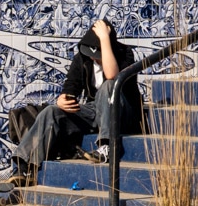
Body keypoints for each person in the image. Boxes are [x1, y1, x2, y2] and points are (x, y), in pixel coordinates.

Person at [10, 19, 141, 183]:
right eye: (92, 55)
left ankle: (107, 146)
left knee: (109, 86)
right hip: (96, 111)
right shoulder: (83, 58)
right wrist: (62, 100)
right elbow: (71, 86)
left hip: (122, 112)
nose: (94, 59)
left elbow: (113, 76)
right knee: (52, 112)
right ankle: (25, 166)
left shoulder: (125, 53)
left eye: (97, 54)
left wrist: (105, 40)